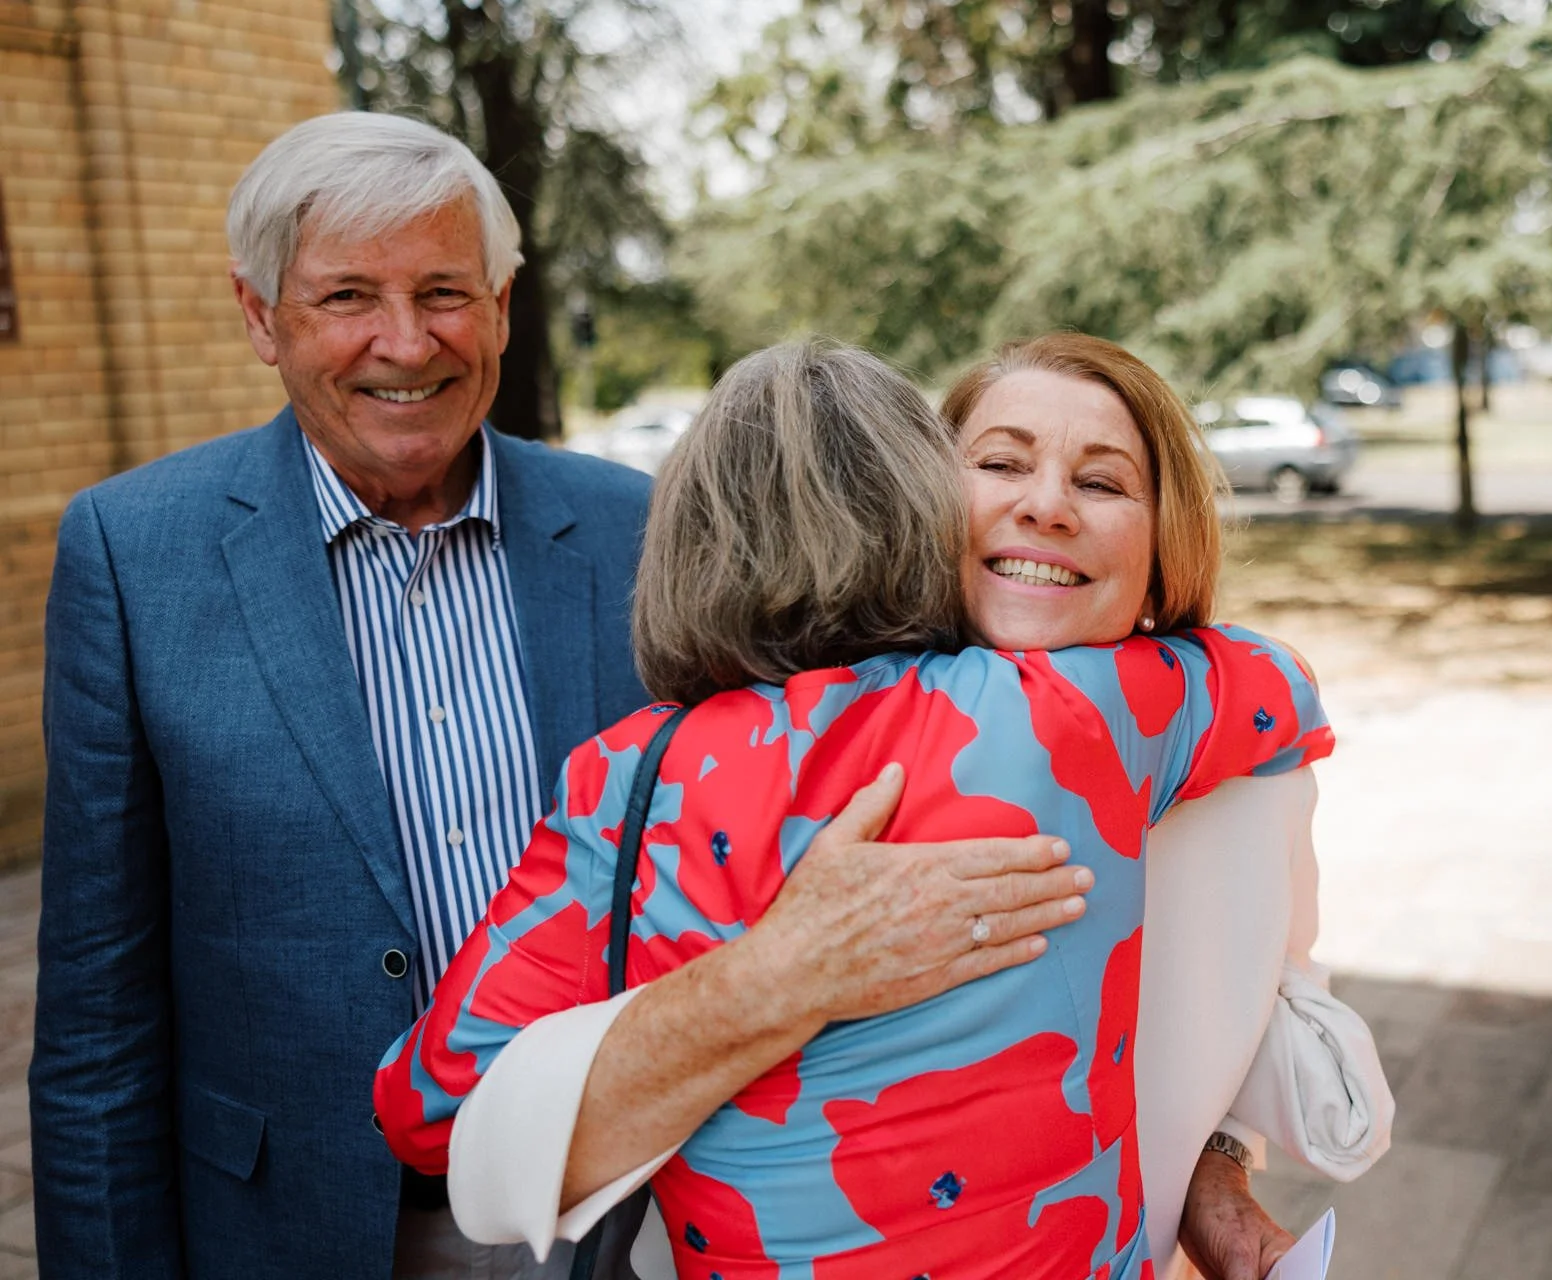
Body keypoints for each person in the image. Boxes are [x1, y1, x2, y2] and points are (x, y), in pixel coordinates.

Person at [29, 114, 1081, 1280]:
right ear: (257, 314)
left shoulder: (644, 528)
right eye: (344, 298)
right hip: (295, 1223)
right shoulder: (135, 554)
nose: (403, 340)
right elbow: (96, 1021)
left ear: (501, 304)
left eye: (443, 290)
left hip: (627, 1203)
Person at [373, 338, 1347, 1278]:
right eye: (1001, 463)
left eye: (1099, 481)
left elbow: (430, 1105)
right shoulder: (1075, 712)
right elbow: (1280, 684)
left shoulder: (622, 781)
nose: (1045, 505)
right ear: (922, 509)